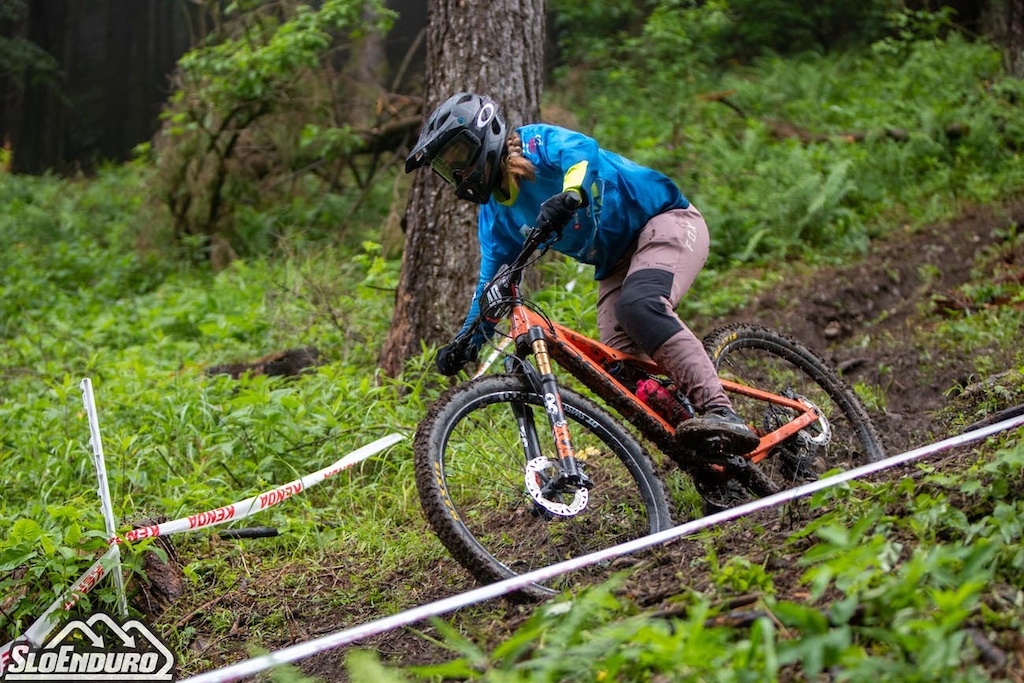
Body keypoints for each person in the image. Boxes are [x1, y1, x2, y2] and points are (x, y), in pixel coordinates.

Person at [405, 92, 759, 455]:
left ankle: (721, 411)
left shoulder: (533, 144)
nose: (458, 173)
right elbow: (492, 285)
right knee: (619, 374)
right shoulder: (496, 217)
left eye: (458, 157)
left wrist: (570, 192)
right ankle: (711, 455)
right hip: (616, 265)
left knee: (640, 306)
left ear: (484, 136)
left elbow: (581, 150)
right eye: (448, 168)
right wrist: (466, 341)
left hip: (665, 221)